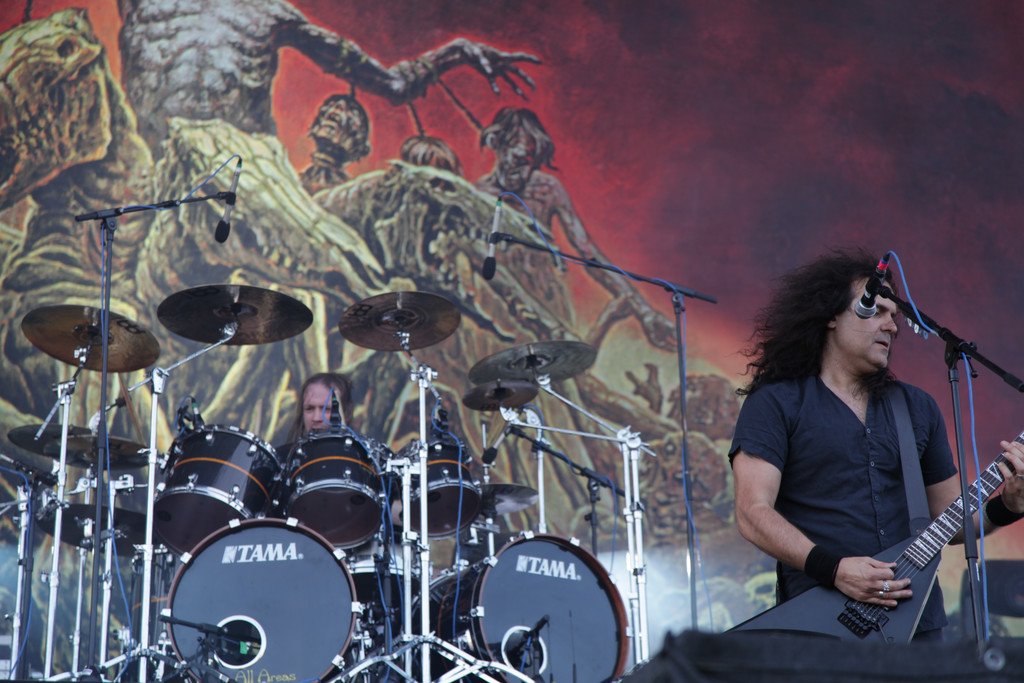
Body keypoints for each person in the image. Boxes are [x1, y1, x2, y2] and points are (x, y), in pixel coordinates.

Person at [729, 248, 1024, 640]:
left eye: (895, 316)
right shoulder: (776, 403)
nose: (892, 326)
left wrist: (1008, 506)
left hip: (918, 625)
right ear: (831, 316)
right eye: (877, 311)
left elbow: (953, 523)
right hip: (821, 627)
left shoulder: (916, 407)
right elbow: (752, 512)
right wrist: (834, 569)